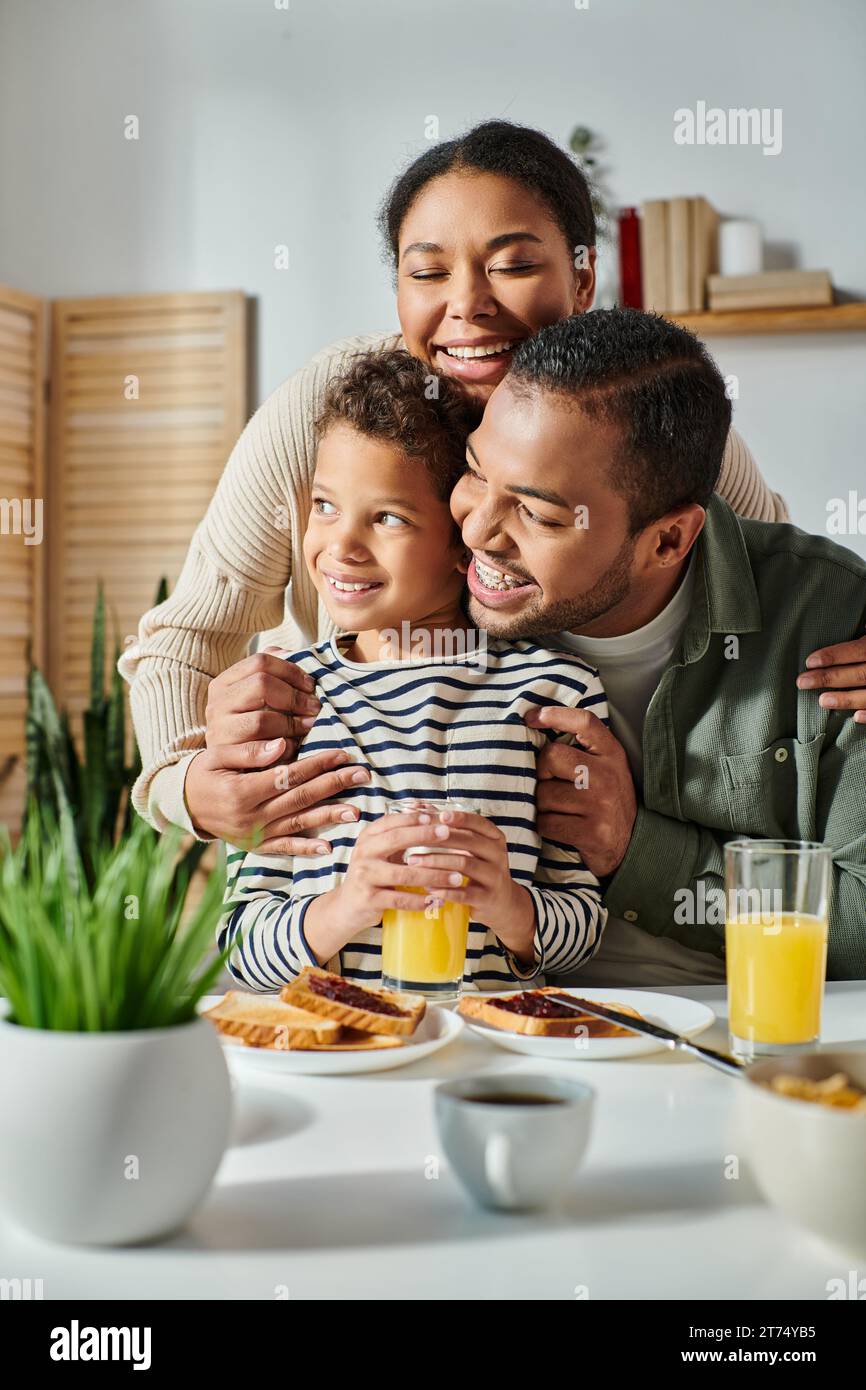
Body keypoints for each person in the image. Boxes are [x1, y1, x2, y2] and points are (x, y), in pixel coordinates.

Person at [121, 121, 866, 855]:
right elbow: (186, 638)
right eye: (427, 272)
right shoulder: (336, 411)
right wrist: (186, 786)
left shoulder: (638, 418)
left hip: (533, 864)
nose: (467, 303)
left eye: (511, 266)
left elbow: (777, 592)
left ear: (581, 278)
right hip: (347, 837)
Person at [440, 308, 865, 982]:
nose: (478, 531)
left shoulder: (829, 620)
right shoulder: (428, 593)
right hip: (501, 1025)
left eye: (540, 514)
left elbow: (863, 921)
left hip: (745, 1038)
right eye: (474, 474)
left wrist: (637, 849)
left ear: (667, 540)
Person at [219, 349, 607, 991]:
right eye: (324, 505)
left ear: (464, 542)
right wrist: (345, 907)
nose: (341, 545)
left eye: (388, 517)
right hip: (349, 1048)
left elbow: (585, 929)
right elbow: (240, 943)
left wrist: (511, 908)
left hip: (495, 1048)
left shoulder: (552, 693)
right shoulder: (283, 695)